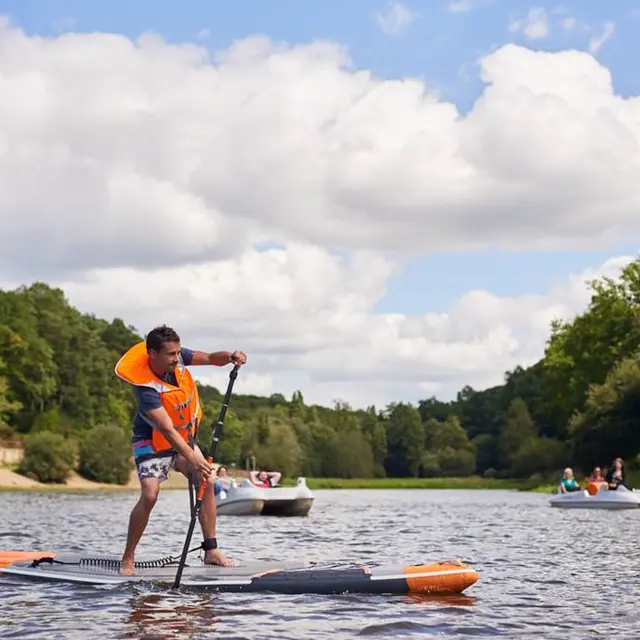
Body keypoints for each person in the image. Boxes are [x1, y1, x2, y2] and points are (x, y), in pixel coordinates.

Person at [114, 324, 247, 575]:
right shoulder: (145, 388)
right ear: (152, 354)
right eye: (171, 354)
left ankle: (211, 551)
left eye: (178, 352)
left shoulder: (178, 358)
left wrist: (230, 357)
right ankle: (128, 558)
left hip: (183, 438)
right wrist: (192, 458)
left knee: (205, 478)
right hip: (151, 440)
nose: (178, 358)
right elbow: (166, 430)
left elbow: (209, 358)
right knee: (151, 495)